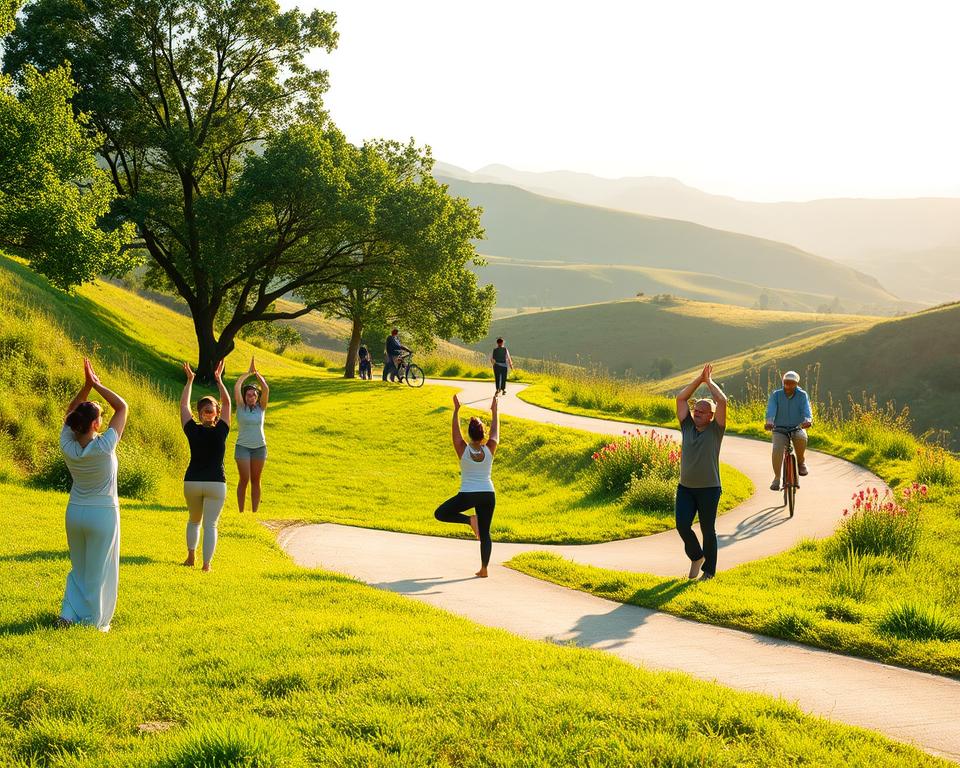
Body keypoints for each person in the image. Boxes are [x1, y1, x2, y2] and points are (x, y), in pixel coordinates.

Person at [57, 358, 129, 631]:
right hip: (102, 514)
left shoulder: (67, 444)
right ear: (97, 425)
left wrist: (86, 387)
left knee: (80, 566)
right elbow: (122, 407)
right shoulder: (105, 446)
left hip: (75, 511)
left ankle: (68, 614)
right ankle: (92, 623)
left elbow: (70, 411)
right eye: (100, 417)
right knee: (100, 570)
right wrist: (97, 385)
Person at [434, 393, 500, 577]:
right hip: (488, 493)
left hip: (468, 494)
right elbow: (496, 431)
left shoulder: (462, 448)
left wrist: (456, 411)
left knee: (440, 513)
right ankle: (484, 569)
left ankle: (469, 520)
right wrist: (495, 412)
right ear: (483, 434)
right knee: (485, 533)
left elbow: (455, 432)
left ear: (470, 434)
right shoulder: (491, 447)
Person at [674, 363, 727, 581]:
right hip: (686, 488)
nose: (697, 413)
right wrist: (699, 379)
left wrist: (710, 381)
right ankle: (697, 556)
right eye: (696, 409)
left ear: (711, 416)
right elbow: (680, 399)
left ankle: (710, 571)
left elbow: (722, 401)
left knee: (708, 529)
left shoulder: (716, 430)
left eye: (703, 411)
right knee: (682, 525)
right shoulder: (686, 425)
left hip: (709, 489)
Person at [180, 360, 231, 571]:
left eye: (208, 411)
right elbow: (227, 404)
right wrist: (219, 380)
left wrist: (190, 380)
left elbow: (183, 406)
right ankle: (206, 565)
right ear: (215, 413)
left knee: (194, 521)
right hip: (216, 483)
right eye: (208, 411)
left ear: (199, 413)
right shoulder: (221, 430)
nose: (208, 414)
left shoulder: (192, 430)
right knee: (210, 525)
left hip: (192, 481)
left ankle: (191, 557)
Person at [764, 370, 813, 491]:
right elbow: (771, 409)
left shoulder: (802, 395)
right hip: (779, 428)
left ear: (796, 384)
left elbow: (806, 409)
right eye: (786, 383)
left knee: (802, 438)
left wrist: (808, 420)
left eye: (791, 384)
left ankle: (801, 462)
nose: (788, 386)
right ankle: (776, 478)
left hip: (797, 427)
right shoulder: (776, 395)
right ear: (783, 382)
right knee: (777, 449)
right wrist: (769, 421)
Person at [233, 356, 269, 513]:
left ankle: (254, 512)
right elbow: (237, 386)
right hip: (243, 448)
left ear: (257, 397)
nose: (251, 397)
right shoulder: (241, 406)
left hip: (259, 448)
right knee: (244, 479)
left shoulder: (261, 407)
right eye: (248, 395)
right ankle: (241, 512)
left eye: (254, 395)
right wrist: (248, 374)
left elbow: (266, 389)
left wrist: (257, 374)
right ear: (244, 396)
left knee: (256, 480)